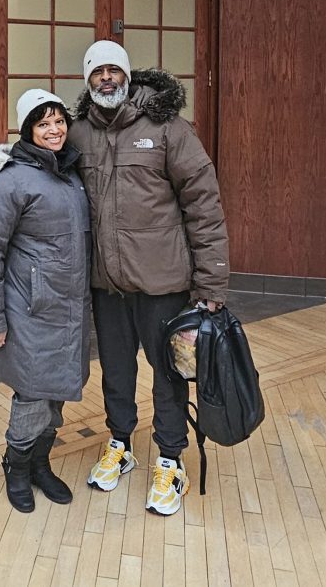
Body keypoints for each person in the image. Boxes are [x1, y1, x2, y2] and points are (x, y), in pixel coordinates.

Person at [68, 40, 229, 516]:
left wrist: (212, 283)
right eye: (97, 73)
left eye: (114, 70)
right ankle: (119, 441)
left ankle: (170, 458)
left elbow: (204, 206)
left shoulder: (168, 129)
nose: (107, 79)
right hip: (107, 285)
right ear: (88, 81)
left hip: (164, 284)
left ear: (128, 75)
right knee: (115, 371)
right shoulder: (77, 134)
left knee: (169, 375)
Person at [0, 89, 91, 513]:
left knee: (55, 391)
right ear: (27, 131)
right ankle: (16, 466)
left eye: (58, 121)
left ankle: (41, 464)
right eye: (43, 124)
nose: (54, 130)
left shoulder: (69, 173)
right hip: (30, 309)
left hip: (69, 309)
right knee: (33, 395)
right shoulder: (10, 180)